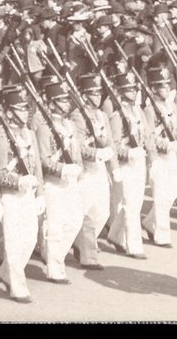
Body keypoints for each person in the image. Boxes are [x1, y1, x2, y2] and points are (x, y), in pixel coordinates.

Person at [0, 85, 43, 303]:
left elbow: (37, 164)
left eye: (26, 108)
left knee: (30, 239)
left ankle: (5, 273)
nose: (26, 112)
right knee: (13, 242)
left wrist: (40, 192)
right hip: (11, 196)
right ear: (9, 111)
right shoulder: (2, 137)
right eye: (21, 108)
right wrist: (18, 180)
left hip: (28, 194)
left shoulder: (29, 133)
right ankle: (17, 286)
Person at [32, 79, 85, 282]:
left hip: (70, 181)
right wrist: (63, 169)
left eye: (66, 100)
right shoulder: (45, 129)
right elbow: (43, 161)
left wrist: (77, 168)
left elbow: (76, 152)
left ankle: (55, 257)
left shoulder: (70, 125)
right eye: (61, 101)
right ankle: (54, 268)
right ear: (52, 103)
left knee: (74, 222)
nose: (66, 104)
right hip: (53, 183)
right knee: (55, 226)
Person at [72, 72, 116, 270]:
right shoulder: (78, 117)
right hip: (86, 170)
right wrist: (96, 154)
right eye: (93, 93)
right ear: (83, 95)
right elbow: (78, 146)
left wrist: (113, 167)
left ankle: (81, 244)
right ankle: (87, 255)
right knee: (87, 213)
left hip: (100, 170)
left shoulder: (102, 115)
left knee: (103, 213)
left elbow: (110, 142)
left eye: (99, 93)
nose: (97, 96)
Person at [105, 70, 148, 259]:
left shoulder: (138, 110)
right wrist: (128, 153)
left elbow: (146, 134)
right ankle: (134, 245)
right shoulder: (117, 115)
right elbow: (113, 145)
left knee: (136, 203)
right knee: (131, 204)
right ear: (121, 92)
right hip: (126, 164)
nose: (133, 92)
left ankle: (115, 234)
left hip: (140, 161)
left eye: (134, 89)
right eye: (129, 90)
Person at [142, 64, 177, 247]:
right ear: (152, 88)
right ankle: (162, 235)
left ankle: (149, 223)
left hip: (172, 156)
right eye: (161, 86)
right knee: (161, 195)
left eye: (167, 85)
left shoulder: (171, 105)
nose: (166, 89)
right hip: (159, 157)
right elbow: (149, 136)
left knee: (172, 192)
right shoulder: (149, 110)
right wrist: (163, 148)